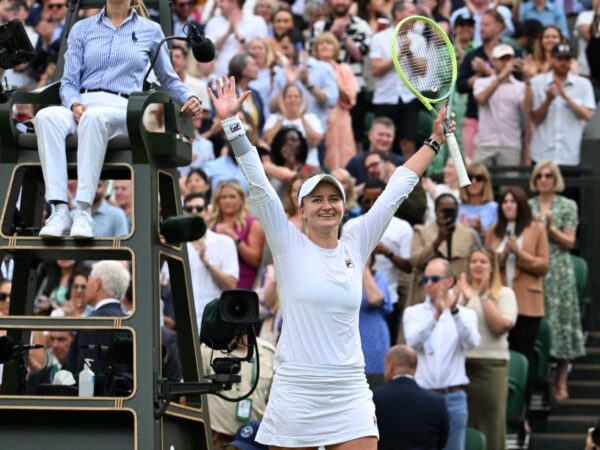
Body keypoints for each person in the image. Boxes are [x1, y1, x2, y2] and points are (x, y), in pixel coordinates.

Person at [207, 74, 454, 449]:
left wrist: (434, 140)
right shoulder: (287, 242)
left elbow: (398, 186)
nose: (326, 205)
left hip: (348, 388)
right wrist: (231, 123)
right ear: (302, 210)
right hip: (296, 387)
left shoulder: (356, 239)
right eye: (316, 200)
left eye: (333, 199)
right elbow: (257, 180)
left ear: (343, 205)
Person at [35, 0, 203, 239]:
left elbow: (169, 79)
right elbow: (69, 81)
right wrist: (73, 104)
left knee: (94, 118)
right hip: (82, 102)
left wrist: (190, 97)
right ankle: (60, 210)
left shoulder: (151, 30)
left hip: (123, 107)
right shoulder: (82, 28)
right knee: (46, 116)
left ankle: (82, 211)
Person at [403, 257, 480, 450]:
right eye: (425, 280)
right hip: (423, 396)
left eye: (434, 279)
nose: (428, 284)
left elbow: (472, 342)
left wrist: (453, 311)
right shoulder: (413, 312)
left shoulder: (465, 314)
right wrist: (435, 316)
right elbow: (413, 342)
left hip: (453, 397)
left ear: (450, 281)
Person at [485, 186, 549, 417]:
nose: (508, 205)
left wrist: (519, 254)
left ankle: (523, 412)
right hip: (499, 304)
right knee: (502, 356)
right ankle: (501, 410)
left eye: (513, 201)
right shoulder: (493, 231)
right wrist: (501, 256)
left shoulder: (537, 229)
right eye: (504, 202)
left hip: (527, 304)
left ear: (521, 205)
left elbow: (543, 266)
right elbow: (485, 265)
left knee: (524, 357)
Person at [528, 160, 586, 400]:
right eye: (540, 175)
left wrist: (550, 228)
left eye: (549, 175)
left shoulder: (567, 205)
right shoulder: (528, 205)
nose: (544, 179)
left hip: (559, 269)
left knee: (561, 325)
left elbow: (570, 242)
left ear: (556, 179)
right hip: (533, 268)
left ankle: (562, 381)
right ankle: (539, 381)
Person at [459, 244, 517, 450]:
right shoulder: (460, 293)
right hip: (461, 367)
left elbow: (500, 326)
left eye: (483, 261)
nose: (478, 265)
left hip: (491, 367)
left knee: (492, 426)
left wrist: (484, 297)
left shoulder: (504, 294)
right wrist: (464, 301)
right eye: (473, 261)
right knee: (464, 426)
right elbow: (451, 330)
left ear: (492, 266)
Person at [344, 177, 413, 346]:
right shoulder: (351, 225)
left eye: (377, 199)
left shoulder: (402, 227)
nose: (372, 204)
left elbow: (409, 267)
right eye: (368, 200)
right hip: (354, 299)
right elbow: (343, 261)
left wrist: (387, 252)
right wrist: (359, 258)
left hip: (389, 298)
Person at [309, 0, 372, 154]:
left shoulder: (361, 25)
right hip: (322, 88)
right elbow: (313, 53)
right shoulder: (319, 26)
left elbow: (359, 55)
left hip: (354, 85)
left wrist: (342, 36)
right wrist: (330, 33)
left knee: (356, 134)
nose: (340, 2)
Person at [62, 260, 132, 389]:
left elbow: (85, 378)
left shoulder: (93, 323)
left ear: (98, 284)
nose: (86, 287)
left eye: (89, 280)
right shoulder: (131, 323)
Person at [201, 335, 275, 448]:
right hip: (216, 440)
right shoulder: (209, 349)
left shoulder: (268, 353)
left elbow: (275, 401)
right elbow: (188, 397)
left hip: (253, 444)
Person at [528, 43, 596, 166]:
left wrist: (565, 96)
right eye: (559, 59)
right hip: (542, 155)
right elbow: (533, 119)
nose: (563, 63)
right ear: (551, 59)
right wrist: (548, 100)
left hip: (569, 155)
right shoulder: (537, 82)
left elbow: (587, 116)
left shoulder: (583, 84)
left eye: (566, 59)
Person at [407, 193, 479, 308]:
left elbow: (477, 262)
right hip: (426, 297)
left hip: (459, 297)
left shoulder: (468, 235)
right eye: (443, 210)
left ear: (457, 211)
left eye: (451, 210)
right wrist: (437, 242)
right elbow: (415, 260)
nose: (446, 214)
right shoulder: (422, 232)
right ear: (435, 211)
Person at [369, 0, 421, 158]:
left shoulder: (419, 38)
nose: (415, 16)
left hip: (409, 97)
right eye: (411, 12)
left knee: (408, 141)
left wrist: (409, 52)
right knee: (381, 140)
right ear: (398, 14)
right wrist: (399, 54)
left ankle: (411, 178)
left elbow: (422, 69)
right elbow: (376, 69)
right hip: (385, 97)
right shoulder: (379, 38)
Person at [373, 345, 449, 450]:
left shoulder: (375, 398)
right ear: (414, 369)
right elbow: (442, 441)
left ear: (390, 368)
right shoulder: (437, 401)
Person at [456, 9, 507, 159]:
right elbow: (461, 86)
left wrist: (486, 69)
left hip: (503, 121)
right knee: (472, 171)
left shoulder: (509, 53)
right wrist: (476, 77)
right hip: (475, 117)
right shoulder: (472, 55)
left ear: (498, 27)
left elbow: (515, 82)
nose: (481, 28)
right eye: (481, 25)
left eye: (486, 24)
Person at [184, 192, 239, 332]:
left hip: (215, 324)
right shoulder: (177, 245)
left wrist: (206, 261)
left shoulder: (225, 242)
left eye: (199, 208)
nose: (194, 212)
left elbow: (231, 284)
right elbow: (168, 285)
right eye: (189, 209)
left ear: (208, 213)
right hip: (185, 323)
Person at [472, 43, 532, 166]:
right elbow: (482, 98)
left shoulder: (520, 86)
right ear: (493, 61)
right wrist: (501, 77)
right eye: (502, 59)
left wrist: (528, 79)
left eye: (509, 58)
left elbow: (526, 108)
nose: (506, 62)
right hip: (485, 144)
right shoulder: (481, 82)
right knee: (476, 182)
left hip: (510, 145)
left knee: (509, 184)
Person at [312, 31, 359, 170]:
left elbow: (350, 97)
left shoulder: (343, 69)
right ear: (316, 48)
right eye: (321, 43)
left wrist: (333, 77)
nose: (325, 46)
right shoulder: (311, 69)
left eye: (329, 43)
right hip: (316, 117)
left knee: (341, 161)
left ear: (336, 48)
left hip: (339, 119)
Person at [207, 179, 266, 290]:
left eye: (232, 196)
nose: (228, 201)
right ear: (217, 201)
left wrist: (234, 238)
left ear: (242, 199)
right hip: (211, 282)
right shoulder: (210, 224)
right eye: (223, 197)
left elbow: (254, 261)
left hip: (241, 284)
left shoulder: (252, 224)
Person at [263, 84, 323, 168]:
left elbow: (315, 141)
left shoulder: (311, 118)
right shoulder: (274, 119)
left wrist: (302, 117)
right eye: (289, 97)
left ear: (301, 100)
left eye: (296, 97)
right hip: (280, 167)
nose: (293, 100)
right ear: (282, 100)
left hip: (308, 167)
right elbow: (268, 139)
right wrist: (282, 116)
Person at [204, 0, 268, 77]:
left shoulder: (257, 21)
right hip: (220, 75)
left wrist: (238, 35)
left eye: (222, 1)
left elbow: (261, 50)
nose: (218, 4)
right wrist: (228, 33)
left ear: (234, 2)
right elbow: (208, 49)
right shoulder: (213, 22)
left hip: (247, 77)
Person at [458, 162, 498, 237]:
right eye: (469, 178)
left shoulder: (495, 208)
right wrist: (462, 230)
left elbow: (497, 241)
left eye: (478, 178)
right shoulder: (456, 207)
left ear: (485, 182)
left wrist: (480, 229)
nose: (473, 181)